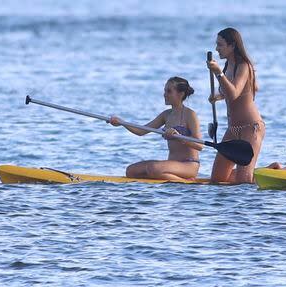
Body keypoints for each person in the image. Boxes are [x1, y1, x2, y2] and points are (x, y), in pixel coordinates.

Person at [108, 77, 202, 180]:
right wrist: (122, 122)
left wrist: (179, 137)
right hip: (171, 164)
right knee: (131, 171)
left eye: (169, 91)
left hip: (189, 165)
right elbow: (141, 131)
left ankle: (185, 181)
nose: (165, 94)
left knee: (153, 169)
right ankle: (166, 176)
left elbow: (200, 145)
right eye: (165, 90)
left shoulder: (190, 115)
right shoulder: (166, 115)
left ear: (181, 94)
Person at [207, 28, 265, 184]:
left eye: (220, 45)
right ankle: (266, 170)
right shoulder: (227, 66)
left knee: (244, 181)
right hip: (232, 129)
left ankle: (284, 170)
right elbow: (236, 91)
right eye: (216, 44)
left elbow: (234, 93)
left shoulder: (243, 65)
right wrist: (218, 96)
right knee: (217, 180)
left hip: (250, 128)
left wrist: (218, 74)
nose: (216, 49)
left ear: (232, 46)